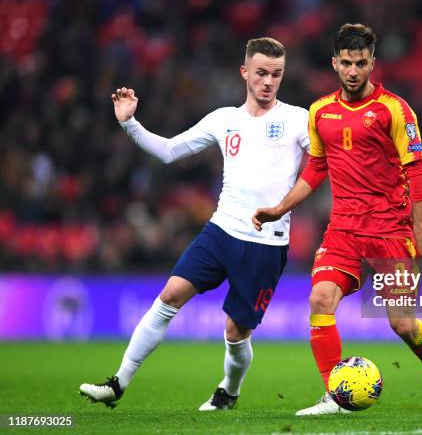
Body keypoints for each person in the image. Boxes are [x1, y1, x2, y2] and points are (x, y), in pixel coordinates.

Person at [79, 37, 310, 410]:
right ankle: (117, 384)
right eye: (262, 73)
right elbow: (170, 151)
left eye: (277, 74)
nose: (268, 81)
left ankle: (229, 391)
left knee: (236, 334)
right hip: (220, 231)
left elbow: (326, 163)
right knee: (169, 295)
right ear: (244, 72)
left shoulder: (298, 119)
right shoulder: (224, 120)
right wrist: (130, 124)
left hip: (266, 243)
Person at [253, 24, 422, 415]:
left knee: (402, 324)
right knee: (320, 299)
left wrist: (420, 229)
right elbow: (315, 169)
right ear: (334, 63)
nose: (353, 71)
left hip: (392, 232)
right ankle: (333, 394)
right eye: (346, 63)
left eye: (361, 63)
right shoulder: (321, 112)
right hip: (344, 230)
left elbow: (416, 169)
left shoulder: (394, 110)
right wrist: (280, 208)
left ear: (372, 63)